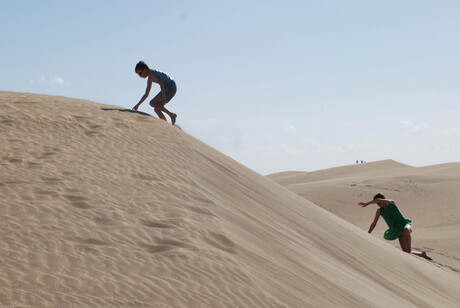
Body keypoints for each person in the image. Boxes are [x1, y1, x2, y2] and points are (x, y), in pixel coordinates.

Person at [358, 193, 432, 260]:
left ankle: (409, 238)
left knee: (406, 229)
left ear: (383, 199)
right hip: (396, 230)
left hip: (404, 223)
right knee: (406, 252)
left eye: (379, 201)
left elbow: (381, 200)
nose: (378, 203)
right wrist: (368, 234)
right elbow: (374, 223)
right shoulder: (379, 211)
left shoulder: (391, 203)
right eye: (376, 202)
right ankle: (422, 254)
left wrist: (367, 203)